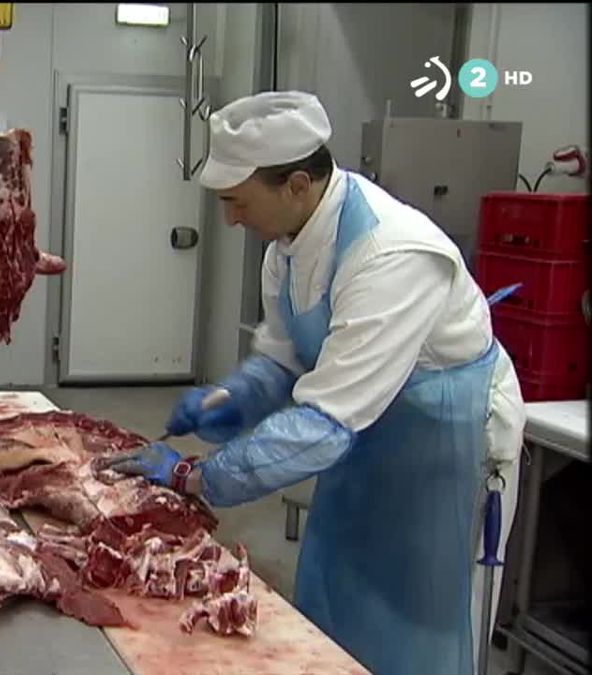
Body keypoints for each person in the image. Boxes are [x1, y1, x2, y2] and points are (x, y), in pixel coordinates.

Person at [109, 91, 525, 675]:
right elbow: (282, 359)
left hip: (448, 442)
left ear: (297, 184)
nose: (231, 219)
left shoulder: (391, 254)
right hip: (365, 428)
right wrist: (231, 398)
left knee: (425, 610)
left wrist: (196, 476)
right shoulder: (287, 246)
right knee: (340, 584)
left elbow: (324, 425)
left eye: (237, 201)